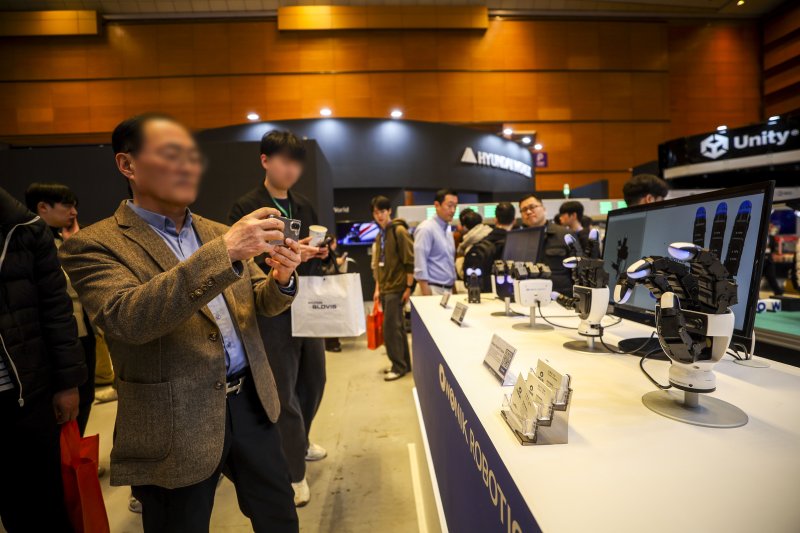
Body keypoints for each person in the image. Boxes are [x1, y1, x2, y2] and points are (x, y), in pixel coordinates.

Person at [59, 113, 302, 533]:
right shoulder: (94, 245)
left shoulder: (216, 231)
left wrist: (283, 278)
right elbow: (127, 317)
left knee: (279, 516)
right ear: (127, 165)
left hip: (251, 403)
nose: (189, 167)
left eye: (192, 157)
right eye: (172, 155)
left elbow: (260, 303)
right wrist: (223, 254)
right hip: (174, 417)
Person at [228, 129, 329, 508]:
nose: (291, 169)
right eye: (283, 160)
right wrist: (283, 263)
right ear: (265, 161)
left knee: (314, 379)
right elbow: (239, 261)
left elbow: (314, 252)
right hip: (270, 309)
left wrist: (318, 253)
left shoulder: (303, 205)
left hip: (308, 304)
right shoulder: (247, 207)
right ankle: (293, 472)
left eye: (296, 161)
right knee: (282, 387)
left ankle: (299, 441)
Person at [0, 185, 86, 533]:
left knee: (40, 503)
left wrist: (67, 384)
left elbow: (56, 311)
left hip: (24, 391)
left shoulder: (24, 229)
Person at [25, 182, 97, 436]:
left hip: (83, 329)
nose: (74, 212)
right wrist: (73, 248)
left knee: (86, 395)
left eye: (75, 205)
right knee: (68, 399)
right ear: (42, 207)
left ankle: (75, 459)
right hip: (59, 335)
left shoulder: (63, 237)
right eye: (67, 205)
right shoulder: (29, 243)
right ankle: (66, 464)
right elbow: (60, 287)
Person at [371, 196, 414, 382]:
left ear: (389, 211)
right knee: (397, 328)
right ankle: (404, 364)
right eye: (375, 212)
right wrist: (377, 289)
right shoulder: (381, 235)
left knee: (390, 329)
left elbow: (409, 261)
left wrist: (408, 287)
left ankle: (398, 366)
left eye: (382, 211)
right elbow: (380, 265)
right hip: (386, 288)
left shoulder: (399, 231)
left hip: (397, 287)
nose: (379, 215)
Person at [518, 194, 572, 294]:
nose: (528, 212)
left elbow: (579, 268)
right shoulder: (518, 239)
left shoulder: (565, 235)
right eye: (524, 210)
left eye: (532, 207)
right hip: (528, 296)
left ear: (543, 209)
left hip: (560, 298)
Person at [414, 189, 458, 295]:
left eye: (455, 206)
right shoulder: (426, 228)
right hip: (432, 289)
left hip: (448, 290)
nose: (453, 210)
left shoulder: (447, 232)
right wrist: (427, 295)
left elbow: (450, 264)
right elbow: (420, 264)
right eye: (449, 205)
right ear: (437, 205)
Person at [456, 209, 492, 279]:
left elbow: (464, 275)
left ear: (464, 227)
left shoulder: (470, 246)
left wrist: (458, 261)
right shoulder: (490, 233)